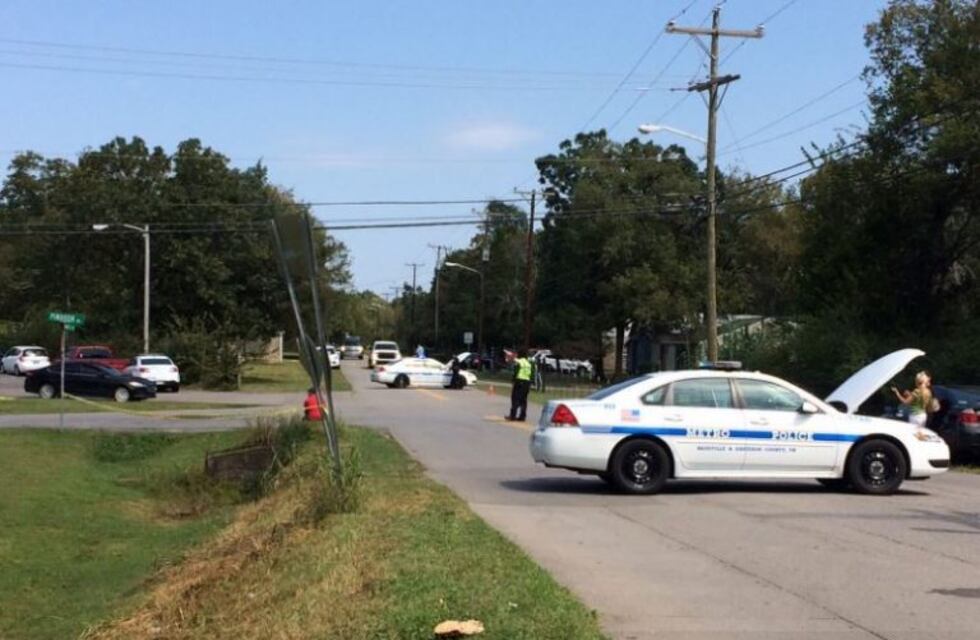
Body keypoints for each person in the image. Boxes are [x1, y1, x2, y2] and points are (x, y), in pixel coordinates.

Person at [506, 349, 533, 421]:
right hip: (527, 382)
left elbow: (513, 363)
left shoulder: (519, 361)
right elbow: (531, 373)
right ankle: (522, 416)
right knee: (523, 400)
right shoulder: (528, 363)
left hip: (519, 381)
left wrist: (509, 355)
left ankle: (512, 416)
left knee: (515, 398)